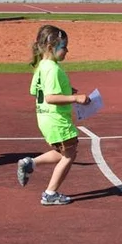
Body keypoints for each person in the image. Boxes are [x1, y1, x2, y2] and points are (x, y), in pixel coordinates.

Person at [15, 25, 90, 205]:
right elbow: (50, 97)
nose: (67, 50)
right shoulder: (54, 69)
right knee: (69, 155)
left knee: (63, 151)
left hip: (45, 119)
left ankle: (30, 163)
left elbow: (36, 91)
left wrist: (65, 89)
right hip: (57, 120)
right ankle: (50, 193)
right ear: (51, 48)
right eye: (64, 46)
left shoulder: (43, 65)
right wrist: (75, 97)